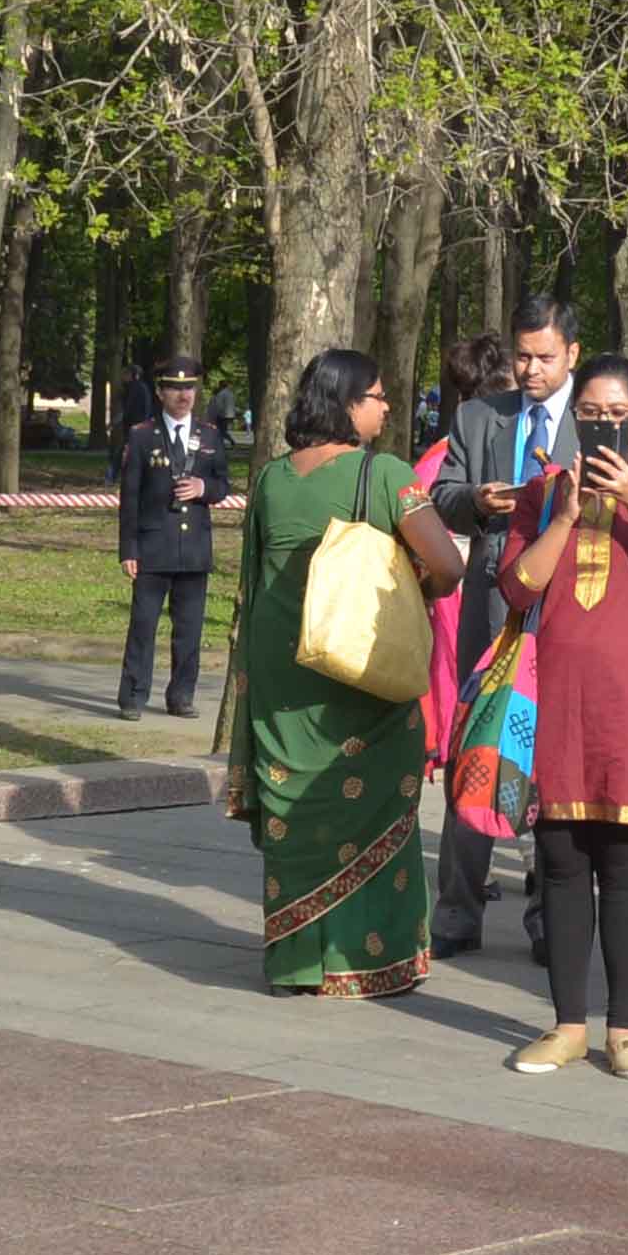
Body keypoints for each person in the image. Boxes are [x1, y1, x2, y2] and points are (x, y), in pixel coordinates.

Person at [227, 347, 474, 999]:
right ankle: (372, 964)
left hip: (283, 684)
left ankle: (297, 965)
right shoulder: (388, 474)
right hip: (362, 674)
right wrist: (407, 580)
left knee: (297, 820)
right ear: (346, 404)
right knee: (374, 811)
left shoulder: (272, 479)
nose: (388, 406)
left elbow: (254, 587)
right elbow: (449, 567)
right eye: (378, 395)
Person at [496, 353, 628, 1077]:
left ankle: (627, 1029)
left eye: (617, 414)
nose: (604, 425)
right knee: (557, 861)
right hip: (553, 696)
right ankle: (566, 1025)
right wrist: (566, 512)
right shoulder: (542, 491)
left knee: (623, 862)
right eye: (590, 414)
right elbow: (518, 588)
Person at [432, 299, 584, 959]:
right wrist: (476, 501)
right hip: (493, 603)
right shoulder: (477, 416)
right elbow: (440, 494)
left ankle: (550, 919)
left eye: (545, 357)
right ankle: (456, 912)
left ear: (572, 354)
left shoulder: (598, 416)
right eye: (523, 355)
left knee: (549, 765)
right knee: (478, 748)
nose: (530, 369)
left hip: (568, 606)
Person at [405, 331, 514, 779]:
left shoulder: (437, 456)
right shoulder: (449, 459)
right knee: (460, 683)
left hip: (458, 584)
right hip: (457, 588)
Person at [116, 353, 230, 718]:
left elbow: (223, 484)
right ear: (161, 392)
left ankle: (181, 695)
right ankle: (133, 696)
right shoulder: (142, 435)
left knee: (189, 630)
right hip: (153, 546)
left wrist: (202, 487)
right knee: (143, 626)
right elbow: (129, 498)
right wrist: (128, 549)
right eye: (175, 389)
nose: (184, 396)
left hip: (193, 548)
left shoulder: (209, 435)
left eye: (190, 388)